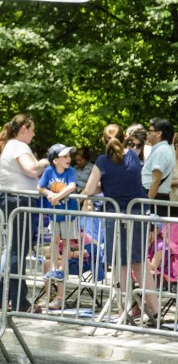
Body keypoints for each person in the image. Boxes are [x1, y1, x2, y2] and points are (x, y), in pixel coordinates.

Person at [83, 124, 158, 319]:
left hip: (115, 216)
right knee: (140, 263)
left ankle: (122, 310)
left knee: (120, 264)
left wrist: (105, 186)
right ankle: (156, 312)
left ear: (103, 141)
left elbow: (90, 190)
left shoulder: (102, 161)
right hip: (138, 213)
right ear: (124, 138)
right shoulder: (133, 156)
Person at [0, 113, 49, 313]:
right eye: (32, 129)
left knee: (11, 250)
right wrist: (44, 162)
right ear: (23, 128)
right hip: (20, 201)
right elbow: (31, 169)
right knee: (17, 251)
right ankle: (19, 302)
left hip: (9, 199)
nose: (33, 134)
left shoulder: (7, 146)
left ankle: (3, 298)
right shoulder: (19, 146)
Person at [38, 144, 79, 310]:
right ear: (55, 160)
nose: (69, 159)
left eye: (69, 156)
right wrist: (50, 194)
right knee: (54, 240)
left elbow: (72, 186)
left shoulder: (71, 172)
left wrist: (58, 196)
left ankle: (61, 268)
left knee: (67, 241)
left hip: (69, 213)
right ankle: (55, 267)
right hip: (55, 213)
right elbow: (41, 187)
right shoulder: (49, 171)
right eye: (65, 156)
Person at [142, 118, 175, 216]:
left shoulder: (161, 151)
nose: (148, 133)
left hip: (155, 199)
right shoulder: (162, 149)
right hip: (157, 197)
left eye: (150, 131)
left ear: (159, 133)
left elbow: (156, 181)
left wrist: (148, 203)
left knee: (154, 231)